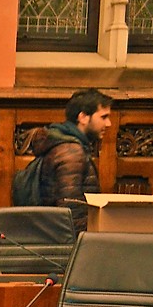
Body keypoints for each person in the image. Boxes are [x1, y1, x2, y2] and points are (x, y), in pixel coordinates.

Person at [29, 88, 112, 232]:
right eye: (103, 117)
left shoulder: (67, 145)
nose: (109, 123)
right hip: (70, 244)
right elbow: (71, 212)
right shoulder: (71, 153)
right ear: (83, 117)